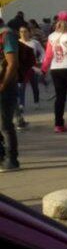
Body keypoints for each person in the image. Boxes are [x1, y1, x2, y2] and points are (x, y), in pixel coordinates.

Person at [0, 21, 20, 170]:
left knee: (5, 124)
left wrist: (3, 84)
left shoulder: (6, 35)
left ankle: (11, 159)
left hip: (5, 87)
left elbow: (12, 63)